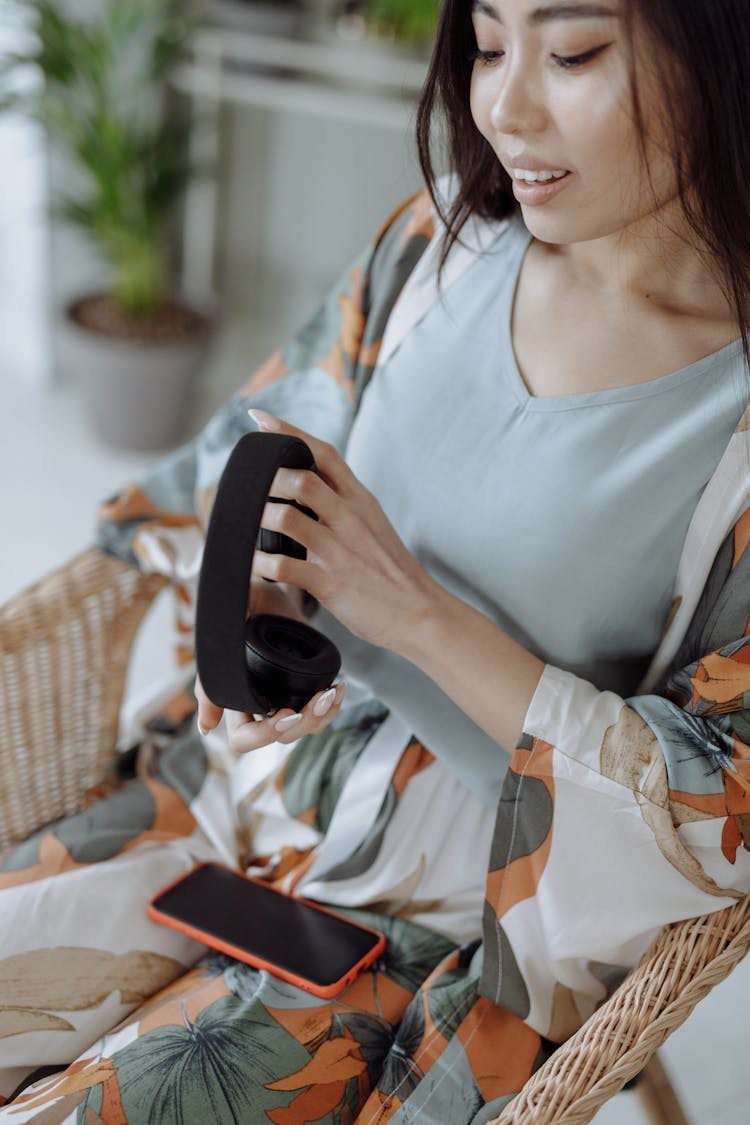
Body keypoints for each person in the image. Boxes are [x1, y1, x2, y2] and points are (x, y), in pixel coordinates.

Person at [2, 0, 750, 1120]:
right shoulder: (437, 241)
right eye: (489, 45)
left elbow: (720, 797)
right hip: (220, 800)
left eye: (575, 51)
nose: (502, 104)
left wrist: (416, 614)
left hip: (436, 929)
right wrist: (249, 624)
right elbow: (245, 456)